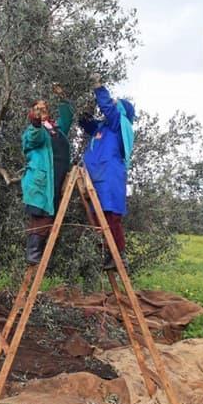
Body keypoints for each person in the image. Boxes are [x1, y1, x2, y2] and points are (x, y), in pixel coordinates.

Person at [78, 73, 135, 272]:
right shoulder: (103, 128)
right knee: (98, 218)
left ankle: (118, 256)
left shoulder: (120, 125)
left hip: (110, 178)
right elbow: (85, 123)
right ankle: (107, 254)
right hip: (96, 178)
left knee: (111, 217)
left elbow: (109, 109)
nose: (111, 104)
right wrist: (83, 107)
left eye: (115, 103)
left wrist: (99, 88)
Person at [21, 84, 74, 264]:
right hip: (41, 181)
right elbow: (33, 139)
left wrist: (62, 97)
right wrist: (36, 121)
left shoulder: (56, 128)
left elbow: (68, 117)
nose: (41, 110)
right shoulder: (33, 130)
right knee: (42, 214)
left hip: (57, 179)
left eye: (43, 108)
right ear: (32, 113)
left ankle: (39, 253)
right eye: (37, 109)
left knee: (50, 214)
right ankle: (33, 253)